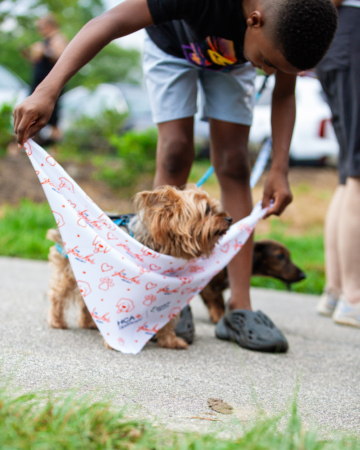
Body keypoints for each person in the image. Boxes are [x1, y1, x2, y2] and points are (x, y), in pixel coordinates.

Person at [13, 0, 337, 352]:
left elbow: (285, 95)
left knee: (234, 162)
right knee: (174, 150)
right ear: (254, 20)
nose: (271, 73)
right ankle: (157, 294)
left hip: (233, 60)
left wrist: (279, 169)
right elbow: (110, 21)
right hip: (171, 46)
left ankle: (240, 308)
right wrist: (48, 88)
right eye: (271, 64)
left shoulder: (287, 24)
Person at [316, 0, 360, 328]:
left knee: (348, 175)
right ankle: (354, 298)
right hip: (352, 35)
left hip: (341, 38)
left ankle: (336, 290)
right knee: (356, 174)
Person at [23, 14, 68, 142]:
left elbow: (62, 56)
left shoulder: (57, 38)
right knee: (34, 112)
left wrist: (44, 51)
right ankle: (34, 141)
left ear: (49, 25)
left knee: (52, 115)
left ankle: (54, 144)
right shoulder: (43, 42)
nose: (39, 30)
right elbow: (36, 61)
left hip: (50, 84)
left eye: (40, 26)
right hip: (39, 83)